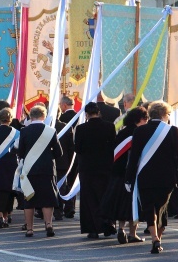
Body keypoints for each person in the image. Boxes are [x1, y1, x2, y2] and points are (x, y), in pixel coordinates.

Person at [125, 101, 178, 254]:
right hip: (167, 177)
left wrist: (128, 178)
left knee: (149, 207)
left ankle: (154, 238)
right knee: (162, 208)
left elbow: (134, 158)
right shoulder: (172, 130)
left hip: (146, 175)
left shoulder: (140, 131)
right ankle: (159, 238)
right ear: (164, 115)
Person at [102, 107, 148, 244]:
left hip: (117, 172)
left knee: (120, 202)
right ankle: (132, 233)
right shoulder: (139, 132)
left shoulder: (122, 132)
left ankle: (121, 228)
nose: (146, 121)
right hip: (132, 172)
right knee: (133, 203)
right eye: (145, 118)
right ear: (139, 119)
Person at [17, 105, 63, 237]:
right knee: (47, 198)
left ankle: (30, 229)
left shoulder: (24, 131)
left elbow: (20, 152)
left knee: (29, 199)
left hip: (29, 170)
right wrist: (47, 157)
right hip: (46, 169)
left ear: (31, 116)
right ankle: (48, 224)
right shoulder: (51, 130)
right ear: (44, 116)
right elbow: (59, 152)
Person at [75, 102, 117, 239]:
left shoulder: (81, 129)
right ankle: (107, 224)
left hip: (87, 168)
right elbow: (113, 146)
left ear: (86, 115)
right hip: (106, 167)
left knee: (89, 198)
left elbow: (78, 149)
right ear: (98, 112)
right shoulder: (109, 127)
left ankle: (92, 229)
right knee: (105, 196)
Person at [58, 96, 78, 218]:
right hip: (75, 154)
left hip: (63, 154)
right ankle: (71, 206)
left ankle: (62, 206)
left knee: (62, 181)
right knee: (72, 180)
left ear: (64, 105)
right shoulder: (80, 116)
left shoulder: (62, 118)